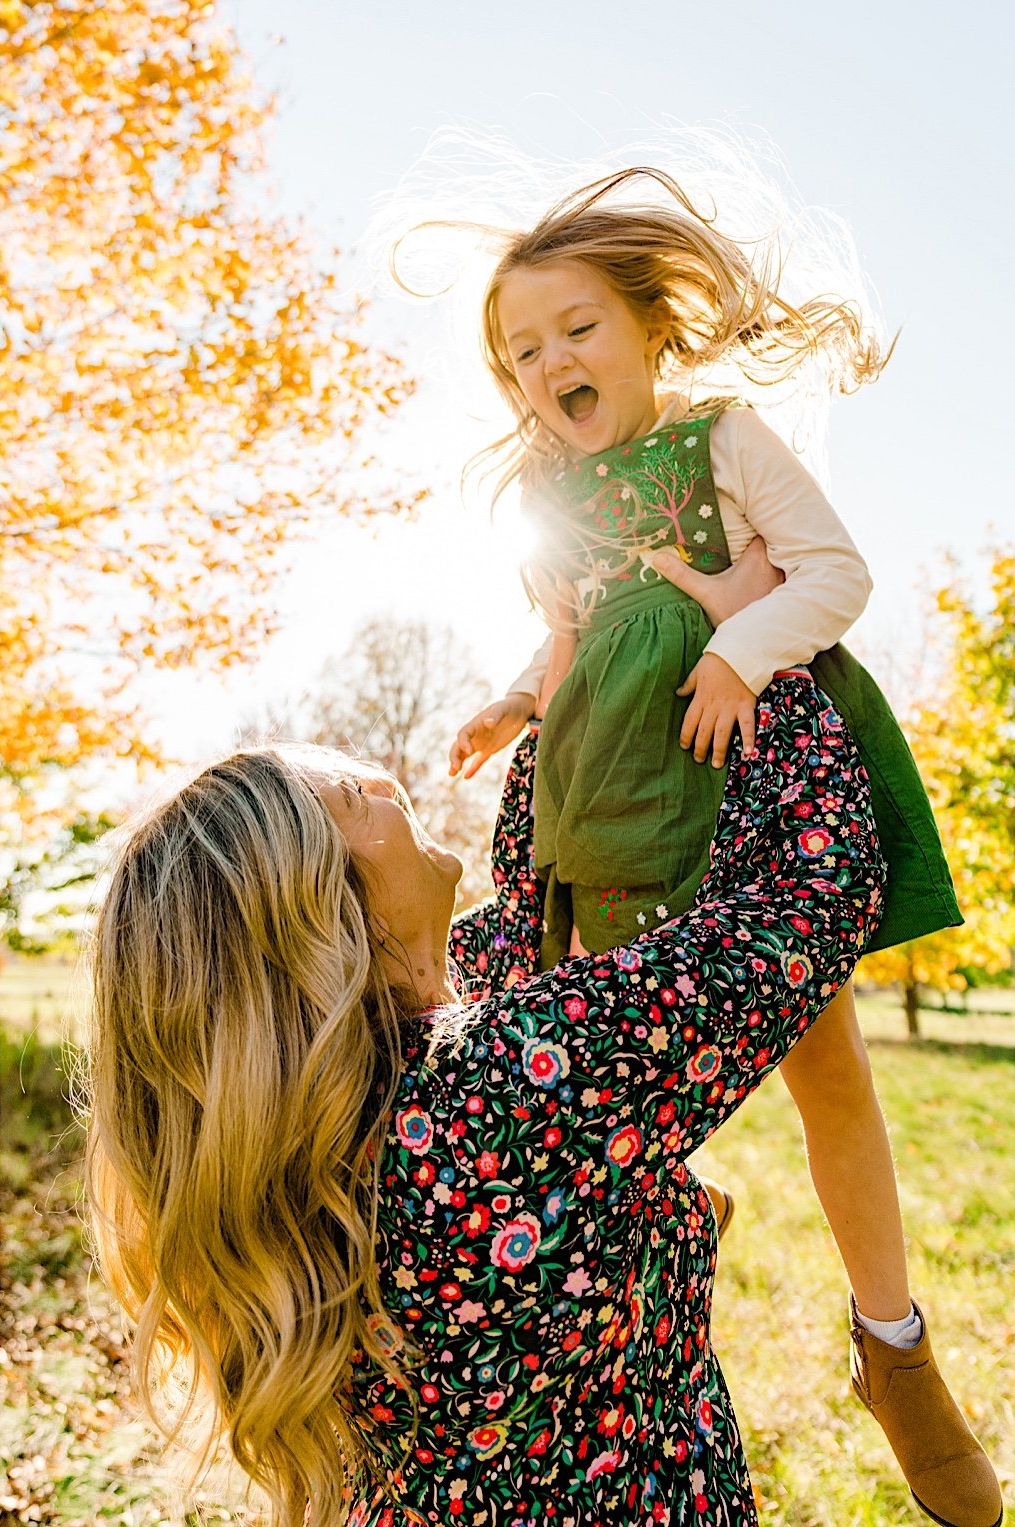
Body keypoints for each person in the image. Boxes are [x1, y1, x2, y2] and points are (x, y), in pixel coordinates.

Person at [423, 163, 994, 1523]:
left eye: (576, 328)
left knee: (828, 1065)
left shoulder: (725, 442)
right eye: (522, 348)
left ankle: (893, 1345)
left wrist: (741, 646)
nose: (550, 360)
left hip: (740, 777)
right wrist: (518, 696)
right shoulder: (551, 506)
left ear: (646, 329)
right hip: (599, 800)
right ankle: (666, 1235)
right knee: (580, 1050)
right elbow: (572, 642)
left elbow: (837, 575)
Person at [87, 664, 924, 1523]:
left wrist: (570, 704)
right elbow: (810, 904)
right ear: (320, 911)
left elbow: (525, 923)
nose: (384, 779)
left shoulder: (347, 1099)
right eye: (350, 794)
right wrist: (760, 664)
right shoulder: (493, 1083)